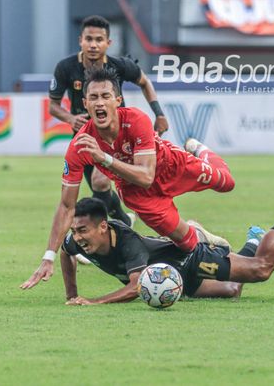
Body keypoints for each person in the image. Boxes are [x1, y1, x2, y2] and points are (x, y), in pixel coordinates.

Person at [20, 68, 236, 290]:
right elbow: (67, 206)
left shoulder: (135, 120)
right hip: (137, 194)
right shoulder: (79, 146)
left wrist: (103, 158)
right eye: (93, 97)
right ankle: (198, 234)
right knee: (187, 245)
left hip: (171, 166)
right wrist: (48, 256)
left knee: (227, 183)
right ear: (85, 104)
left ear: (117, 101)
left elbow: (146, 175)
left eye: (106, 96)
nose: (100, 103)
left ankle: (200, 150)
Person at [60, 192, 274, 305]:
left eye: (82, 230)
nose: (78, 237)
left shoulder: (128, 243)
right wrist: (71, 294)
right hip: (174, 278)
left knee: (260, 269)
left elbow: (136, 288)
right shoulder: (79, 240)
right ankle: (255, 239)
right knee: (232, 290)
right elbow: (66, 252)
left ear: (102, 227)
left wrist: (94, 302)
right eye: (75, 230)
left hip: (191, 257)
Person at [48, 15, 169, 225]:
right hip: (84, 137)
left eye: (99, 40)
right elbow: (53, 106)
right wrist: (70, 118)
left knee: (100, 180)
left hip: (118, 137)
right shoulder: (65, 68)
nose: (93, 45)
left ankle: (100, 234)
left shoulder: (119, 66)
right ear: (80, 41)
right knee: (100, 188)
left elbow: (144, 82)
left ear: (108, 43)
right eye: (89, 39)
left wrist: (158, 113)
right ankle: (122, 220)